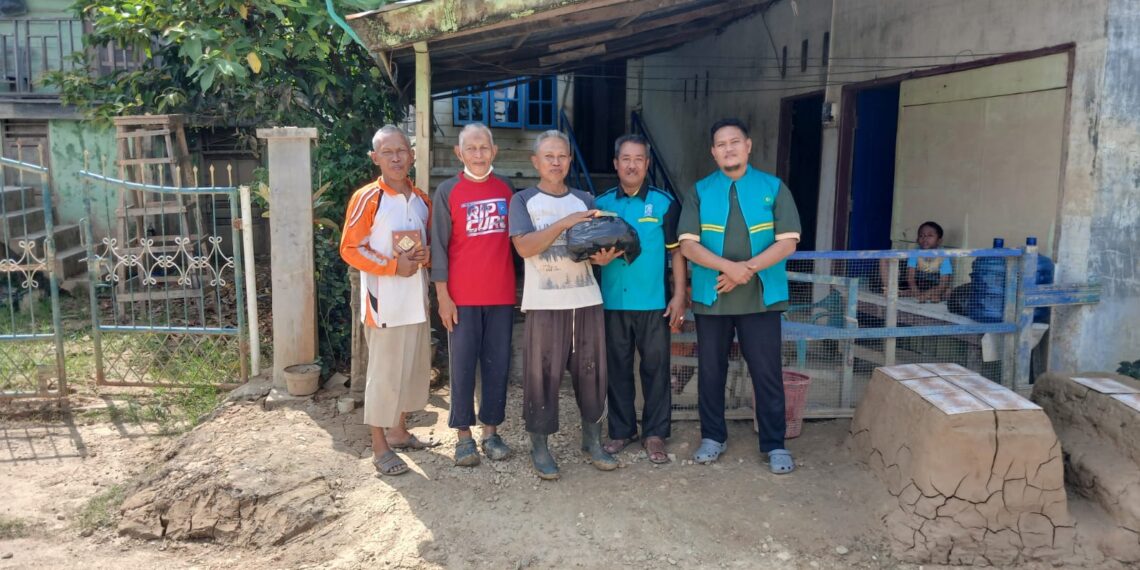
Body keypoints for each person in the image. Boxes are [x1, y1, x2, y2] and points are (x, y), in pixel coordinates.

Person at [678, 118, 801, 475]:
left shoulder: (773, 187)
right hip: (713, 296)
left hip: (761, 297)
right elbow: (687, 245)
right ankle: (712, 436)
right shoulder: (700, 191)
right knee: (711, 371)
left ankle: (775, 443)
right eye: (721, 144)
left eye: (735, 142)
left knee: (766, 372)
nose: (728, 148)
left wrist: (744, 269)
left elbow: (788, 242)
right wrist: (728, 269)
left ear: (748, 146)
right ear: (713, 152)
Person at [508, 129, 623, 480]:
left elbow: (596, 245)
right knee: (542, 375)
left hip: (586, 299)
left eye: (562, 156)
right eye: (549, 156)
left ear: (570, 161)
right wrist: (565, 223)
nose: (556, 162)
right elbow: (524, 247)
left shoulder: (585, 199)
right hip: (544, 303)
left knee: (592, 373)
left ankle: (593, 440)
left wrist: (604, 258)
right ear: (536, 162)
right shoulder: (523, 200)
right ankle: (540, 446)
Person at [340, 125, 436, 477]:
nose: (396, 158)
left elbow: (428, 245)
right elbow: (350, 248)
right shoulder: (368, 198)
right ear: (375, 158)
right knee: (383, 375)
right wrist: (393, 266)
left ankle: (398, 431)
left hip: (416, 301)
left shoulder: (421, 199)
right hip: (383, 303)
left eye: (401, 151)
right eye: (387, 152)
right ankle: (379, 447)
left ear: (412, 155)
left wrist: (425, 257)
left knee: (410, 369)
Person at [594, 134, 686, 464]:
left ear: (647, 164)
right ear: (616, 164)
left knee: (656, 369)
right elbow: (590, 251)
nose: (632, 165)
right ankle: (621, 431)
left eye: (638, 159)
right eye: (626, 159)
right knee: (617, 368)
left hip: (654, 302)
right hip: (613, 302)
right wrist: (597, 259)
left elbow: (677, 253)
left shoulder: (664, 203)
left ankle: (655, 433)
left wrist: (679, 295)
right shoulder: (601, 204)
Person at [430, 123, 516, 467]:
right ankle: (463, 436)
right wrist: (443, 296)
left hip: (501, 294)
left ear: (494, 151)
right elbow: (438, 246)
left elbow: (518, 242)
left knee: (497, 364)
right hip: (461, 297)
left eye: (484, 148)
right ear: (459, 153)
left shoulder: (507, 189)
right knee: (462, 365)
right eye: (471, 148)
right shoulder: (447, 191)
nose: (478, 154)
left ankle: (491, 432)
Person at [903, 221, 952, 303]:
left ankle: (928, 295)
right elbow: (910, 278)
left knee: (948, 292)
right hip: (918, 285)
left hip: (935, 287)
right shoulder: (915, 253)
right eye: (921, 235)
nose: (925, 238)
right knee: (907, 290)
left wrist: (932, 293)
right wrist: (916, 292)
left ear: (939, 241)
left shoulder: (944, 256)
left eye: (930, 235)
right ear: (917, 240)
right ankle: (926, 296)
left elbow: (944, 282)